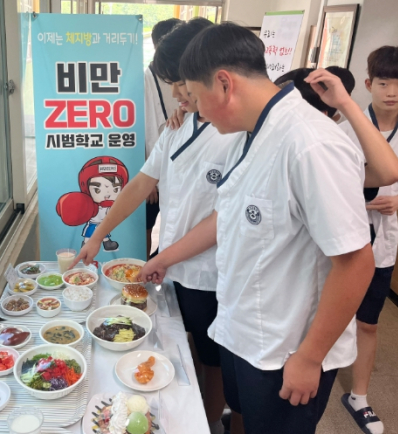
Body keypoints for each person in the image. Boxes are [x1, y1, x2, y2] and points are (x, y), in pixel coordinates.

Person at [140, 23, 375, 434]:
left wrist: (310, 357)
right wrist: (164, 257)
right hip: (243, 331)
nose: (195, 110)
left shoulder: (310, 144)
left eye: (195, 96)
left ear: (224, 83)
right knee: (242, 418)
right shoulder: (251, 133)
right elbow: (226, 218)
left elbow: (356, 262)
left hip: (287, 349)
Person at [71, 18, 241, 434]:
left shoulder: (235, 133)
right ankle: (197, 411)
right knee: (184, 344)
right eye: (172, 85)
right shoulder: (178, 126)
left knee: (214, 358)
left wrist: (163, 257)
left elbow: (223, 218)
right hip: (174, 261)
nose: (177, 94)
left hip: (212, 270)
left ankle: (209, 420)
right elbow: (139, 185)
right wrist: (96, 236)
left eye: (181, 83)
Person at [337, 46, 398, 434]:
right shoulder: (346, 126)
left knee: (368, 323)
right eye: (384, 83)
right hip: (342, 238)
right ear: (368, 84)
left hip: (383, 242)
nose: (392, 91)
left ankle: (359, 396)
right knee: (324, 311)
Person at [277, 67, 398, 188]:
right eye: (383, 84)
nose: (391, 93)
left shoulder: (331, 154)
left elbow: (389, 173)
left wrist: (346, 103)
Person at [144, 18, 181, 258]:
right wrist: (150, 180)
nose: (176, 93)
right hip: (155, 169)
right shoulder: (147, 79)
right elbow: (144, 130)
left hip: (173, 173)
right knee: (148, 226)